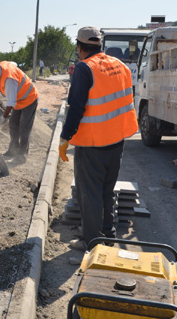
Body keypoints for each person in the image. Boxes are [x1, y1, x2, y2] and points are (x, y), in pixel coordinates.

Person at [58, 26, 138, 251]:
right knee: (106, 190)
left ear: (80, 47)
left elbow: (76, 108)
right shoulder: (120, 65)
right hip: (117, 141)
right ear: (100, 45)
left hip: (93, 143)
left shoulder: (84, 69)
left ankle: (92, 241)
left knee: (90, 194)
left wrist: (65, 138)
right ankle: (108, 233)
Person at [0, 59, 38, 165]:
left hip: (29, 98)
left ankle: (22, 156)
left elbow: (11, 103)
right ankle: (13, 151)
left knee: (24, 127)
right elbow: (14, 64)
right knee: (13, 124)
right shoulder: (2, 66)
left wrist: (3, 118)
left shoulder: (9, 80)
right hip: (19, 99)